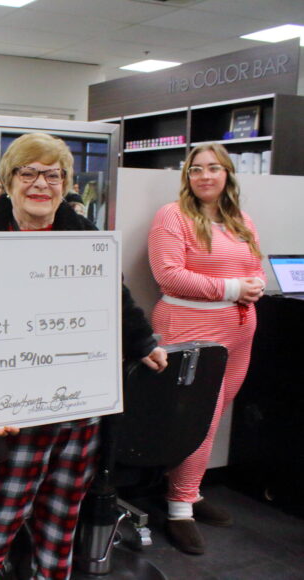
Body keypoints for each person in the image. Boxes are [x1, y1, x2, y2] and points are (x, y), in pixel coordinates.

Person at [0, 132, 167, 580]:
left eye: (52, 174)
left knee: (61, 520)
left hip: (79, 408)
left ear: (66, 183)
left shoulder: (83, 234)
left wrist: (143, 342)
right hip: (11, 414)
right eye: (28, 172)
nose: (40, 184)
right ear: (8, 180)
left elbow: (116, 296)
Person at [148, 143, 264, 555]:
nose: (205, 176)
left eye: (214, 168)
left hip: (238, 330)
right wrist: (233, 288)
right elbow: (168, 276)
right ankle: (179, 509)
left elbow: (253, 266)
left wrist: (254, 284)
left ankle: (190, 491)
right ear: (187, 178)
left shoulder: (240, 219)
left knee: (214, 415)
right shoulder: (173, 216)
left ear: (228, 174)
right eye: (196, 170)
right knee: (198, 417)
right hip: (191, 327)